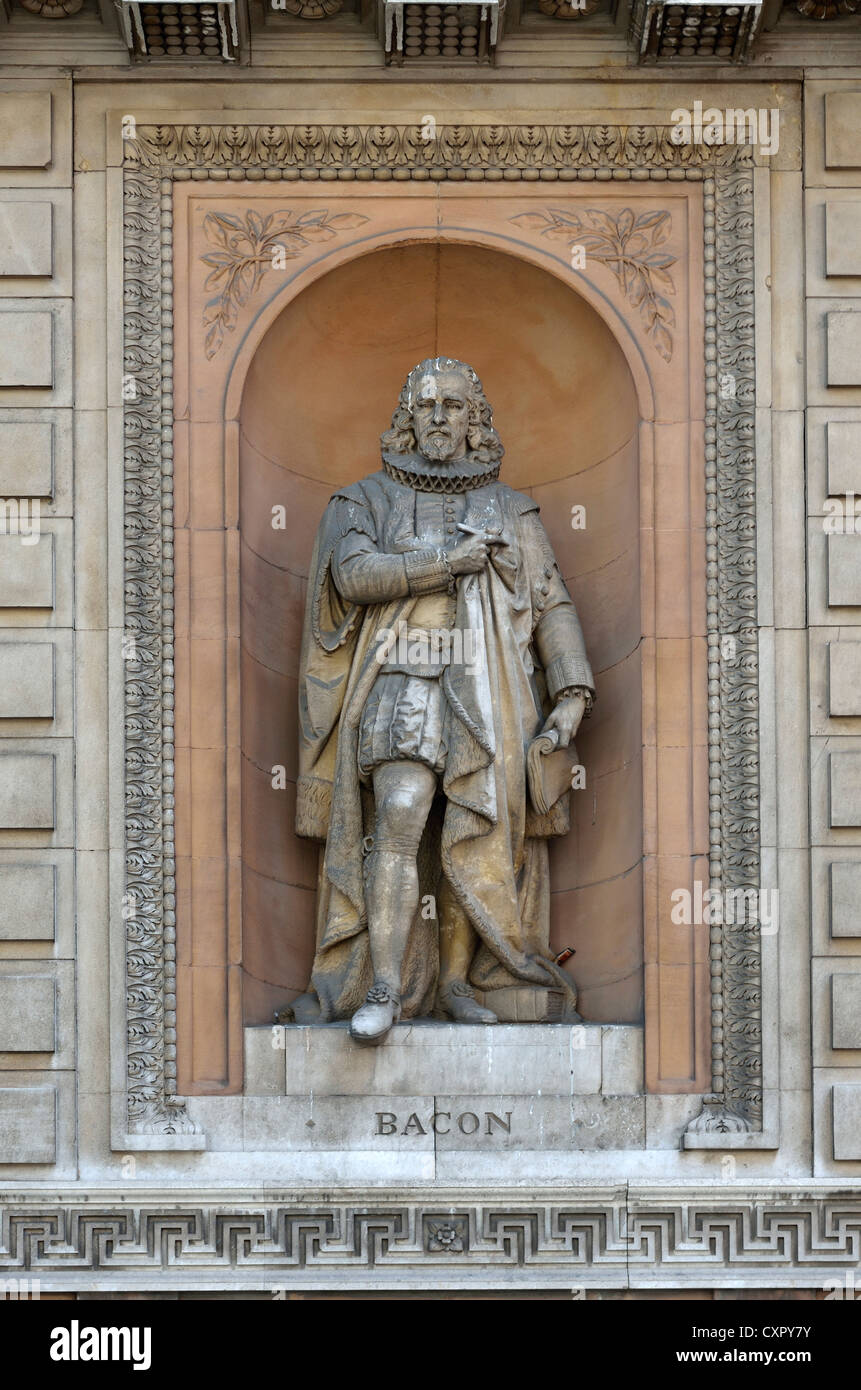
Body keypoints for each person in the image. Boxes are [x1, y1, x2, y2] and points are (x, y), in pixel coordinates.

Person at [289, 356, 595, 1044]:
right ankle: (385, 987)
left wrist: (571, 691)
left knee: (473, 824)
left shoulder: (510, 510)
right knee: (398, 813)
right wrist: (442, 566)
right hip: (402, 676)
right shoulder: (363, 499)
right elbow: (353, 574)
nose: (438, 417)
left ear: (473, 420)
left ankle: (457, 983)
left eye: (453, 406)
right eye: (425, 405)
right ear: (407, 417)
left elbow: (551, 604)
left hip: (490, 689)